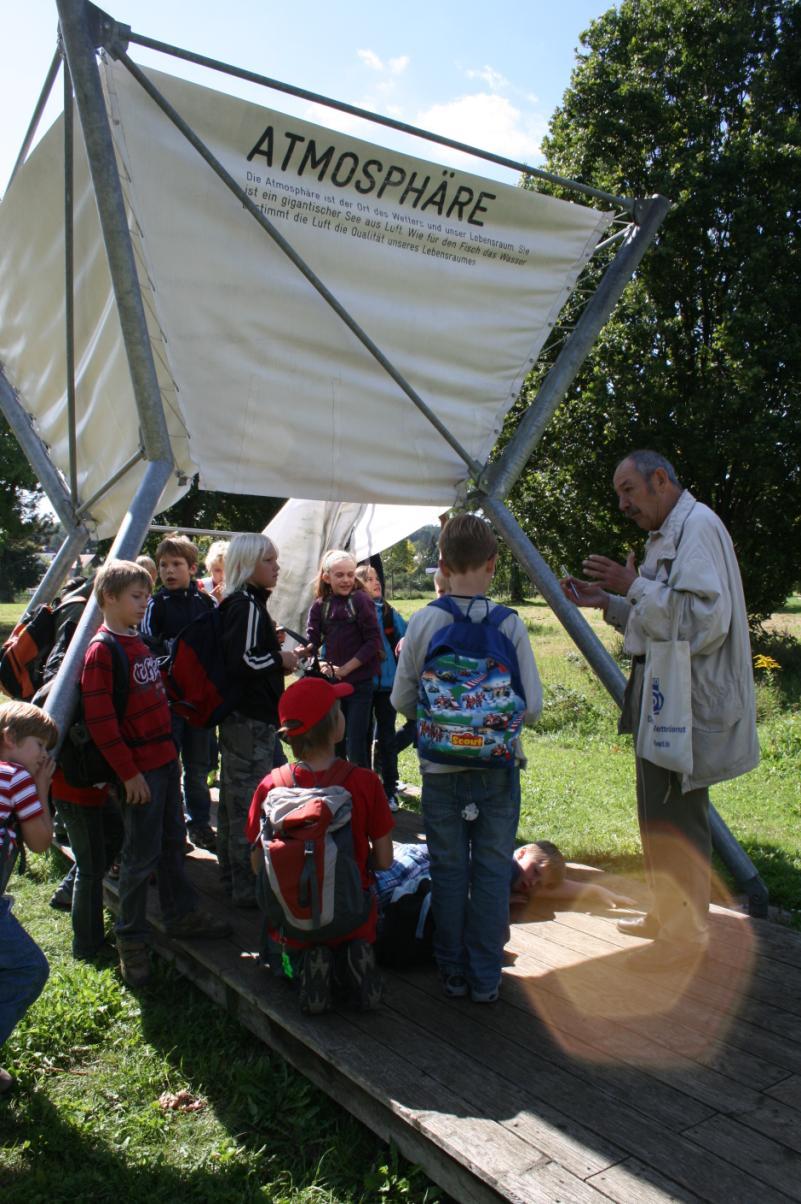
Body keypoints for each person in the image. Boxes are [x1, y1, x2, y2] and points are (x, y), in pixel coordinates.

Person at [561, 450, 759, 971]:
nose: (623, 503)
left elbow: (702, 623)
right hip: (662, 698)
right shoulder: (666, 535)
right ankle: (666, 914)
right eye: (618, 494)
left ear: (659, 479)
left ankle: (684, 934)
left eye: (629, 490)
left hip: (686, 702)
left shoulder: (698, 528)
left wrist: (634, 586)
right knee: (656, 810)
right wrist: (608, 602)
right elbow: (657, 618)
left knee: (678, 815)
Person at [392, 513, 543, 1003]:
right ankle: (485, 977)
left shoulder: (425, 620)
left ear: (441, 564)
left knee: (449, 870)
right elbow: (534, 707)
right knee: (494, 871)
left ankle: (452, 971)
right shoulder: (510, 624)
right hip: (497, 770)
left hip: (440, 770)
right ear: (494, 564)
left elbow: (399, 700)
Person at [81, 560, 230, 987]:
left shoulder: (138, 641)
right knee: (139, 856)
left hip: (165, 762)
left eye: (146, 595)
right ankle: (131, 940)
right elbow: (102, 723)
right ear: (109, 597)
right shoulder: (102, 650)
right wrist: (128, 775)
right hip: (140, 773)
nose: (145, 603)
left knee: (171, 844)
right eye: (136, 596)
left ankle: (180, 913)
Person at [245, 676, 394, 1014]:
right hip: (352, 917)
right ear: (335, 727)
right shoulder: (364, 783)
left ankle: (301, 967)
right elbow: (385, 861)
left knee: (284, 949)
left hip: (291, 924)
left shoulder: (271, 785)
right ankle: (351, 959)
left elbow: (257, 864)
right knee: (362, 912)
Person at [219, 534, 299, 909]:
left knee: (237, 799)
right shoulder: (247, 605)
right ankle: (245, 886)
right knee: (245, 803)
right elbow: (242, 663)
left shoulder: (245, 603)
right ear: (249, 564)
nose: (276, 567)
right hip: (250, 719)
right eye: (269, 560)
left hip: (246, 717)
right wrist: (281, 660)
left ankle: (232, 876)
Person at [141, 533, 216, 851]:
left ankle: (199, 823)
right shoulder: (155, 604)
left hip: (200, 703)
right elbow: (146, 643)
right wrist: (172, 657)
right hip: (169, 702)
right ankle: (171, 830)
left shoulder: (205, 603)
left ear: (193, 568)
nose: (169, 571)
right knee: (170, 767)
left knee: (198, 768)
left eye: (176, 564)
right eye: (163, 565)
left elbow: (217, 643)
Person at [0, 701, 57, 1095]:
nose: (44, 756)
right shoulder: (16, 776)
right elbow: (40, 842)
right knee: (28, 968)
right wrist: (41, 788)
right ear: (10, 740)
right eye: (39, 745)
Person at [301, 550, 381, 768]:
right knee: (335, 742)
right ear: (326, 577)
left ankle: (361, 793)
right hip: (333, 684)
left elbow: (373, 642)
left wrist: (346, 668)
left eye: (350, 574)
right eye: (339, 575)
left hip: (360, 684)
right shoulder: (320, 604)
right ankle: (337, 790)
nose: (346, 580)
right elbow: (313, 640)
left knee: (356, 743)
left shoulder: (361, 600)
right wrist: (303, 651)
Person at [354, 563, 406, 811]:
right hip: (361, 684)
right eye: (369, 578)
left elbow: (407, 634)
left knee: (386, 738)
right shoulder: (353, 611)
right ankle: (365, 788)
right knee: (362, 736)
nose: (377, 582)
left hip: (387, 686)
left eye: (377, 578)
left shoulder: (388, 612)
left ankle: (389, 790)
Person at [199, 540, 228, 605]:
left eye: (227, 570)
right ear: (209, 568)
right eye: (218, 570)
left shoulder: (237, 589)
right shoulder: (201, 586)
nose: (223, 575)